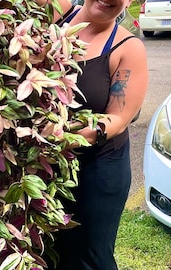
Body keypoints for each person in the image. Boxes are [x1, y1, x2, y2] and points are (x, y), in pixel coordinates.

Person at [37, 0, 148, 269]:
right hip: (44, 164)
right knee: (43, 250)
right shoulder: (56, 13)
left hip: (98, 169)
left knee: (88, 257)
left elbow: (119, 118)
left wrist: (68, 135)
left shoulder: (128, 48)